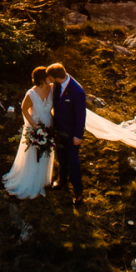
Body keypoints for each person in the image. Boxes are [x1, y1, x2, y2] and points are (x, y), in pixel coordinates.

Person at [1, 66, 56, 198]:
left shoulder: (52, 88)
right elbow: (24, 109)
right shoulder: (31, 94)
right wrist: (34, 125)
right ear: (42, 78)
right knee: (34, 153)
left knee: (46, 153)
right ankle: (31, 180)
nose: (50, 78)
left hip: (48, 125)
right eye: (47, 76)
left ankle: (43, 179)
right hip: (36, 127)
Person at [47, 62, 86, 203]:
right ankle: (61, 178)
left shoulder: (77, 92)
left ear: (56, 78)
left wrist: (77, 135)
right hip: (58, 129)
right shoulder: (57, 85)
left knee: (73, 160)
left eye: (50, 78)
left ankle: (78, 190)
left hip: (71, 133)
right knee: (61, 156)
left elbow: (81, 116)